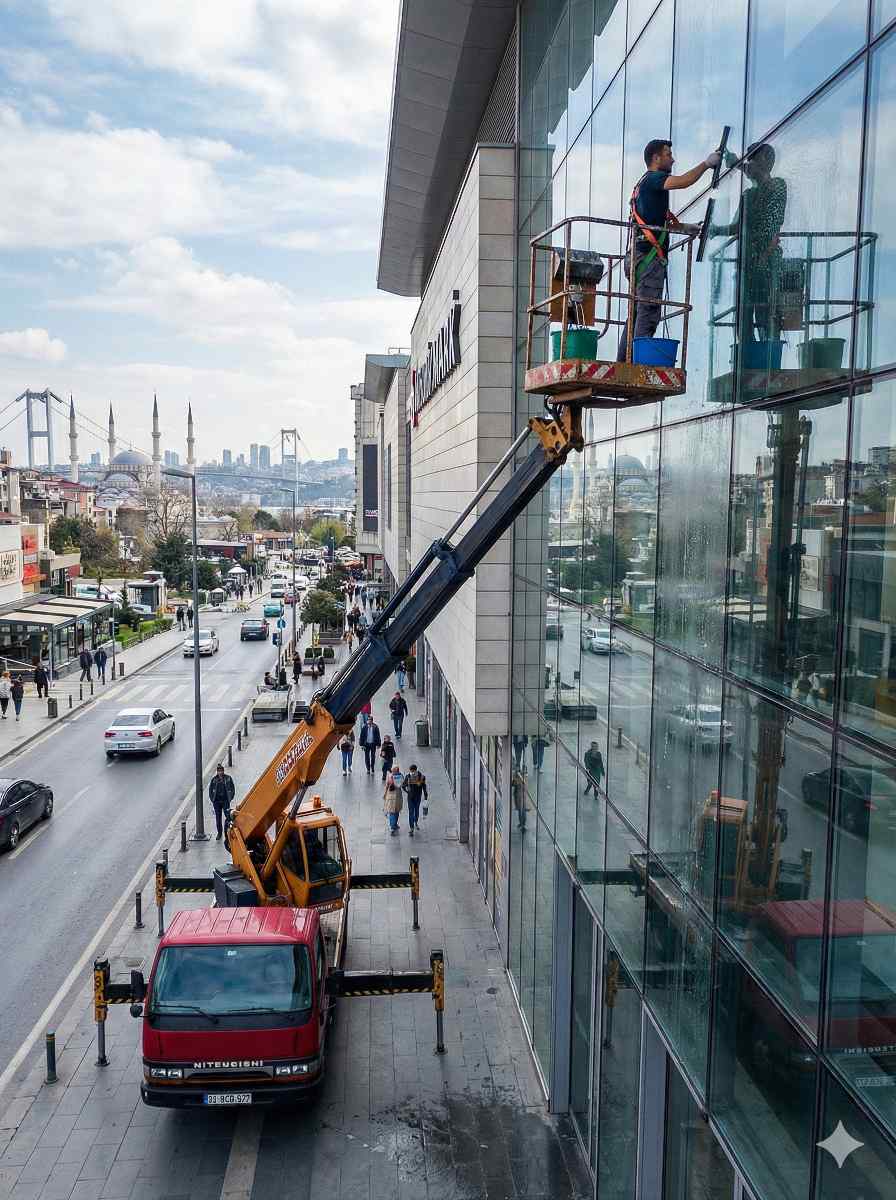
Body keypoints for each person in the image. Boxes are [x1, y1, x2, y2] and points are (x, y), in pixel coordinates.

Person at [617, 139, 721, 361]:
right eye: (668, 154)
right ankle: (638, 366)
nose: (672, 159)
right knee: (649, 310)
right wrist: (706, 164)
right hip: (648, 259)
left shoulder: (642, 186)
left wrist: (685, 228)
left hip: (637, 257)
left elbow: (660, 223)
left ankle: (623, 362)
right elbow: (684, 181)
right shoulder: (654, 179)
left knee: (636, 311)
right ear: (656, 158)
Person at [208, 763, 235, 840]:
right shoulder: (214, 780)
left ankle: (227, 832)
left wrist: (230, 797)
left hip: (225, 801)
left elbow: (232, 788)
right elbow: (210, 791)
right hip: (217, 802)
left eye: (221, 771)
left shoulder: (228, 778)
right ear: (217, 772)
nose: (220, 772)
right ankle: (219, 833)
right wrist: (213, 799)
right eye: (218, 771)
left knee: (228, 817)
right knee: (218, 818)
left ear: (223, 771)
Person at [402, 765, 428, 837]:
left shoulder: (421, 777)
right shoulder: (407, 777)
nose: (412, 773)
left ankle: (416, 821)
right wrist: (407, 791)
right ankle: (411, 828)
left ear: (416, 770)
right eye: (411, 771)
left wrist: (426, 795)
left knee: (416, 810)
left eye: (413, 771)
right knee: (411, 812)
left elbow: (424, 786)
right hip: (410, 798)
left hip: (418, 797)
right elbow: (403, 786)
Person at [383, 770, 403, 836]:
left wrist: (385, 794)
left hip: (391, 797)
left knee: (392, 812)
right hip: (398, 797)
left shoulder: (390, 777)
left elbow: (386, 786)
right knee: (396, 812)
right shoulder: (401, 776)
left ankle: (392, 827)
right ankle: (394, 825)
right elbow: (402, 785)